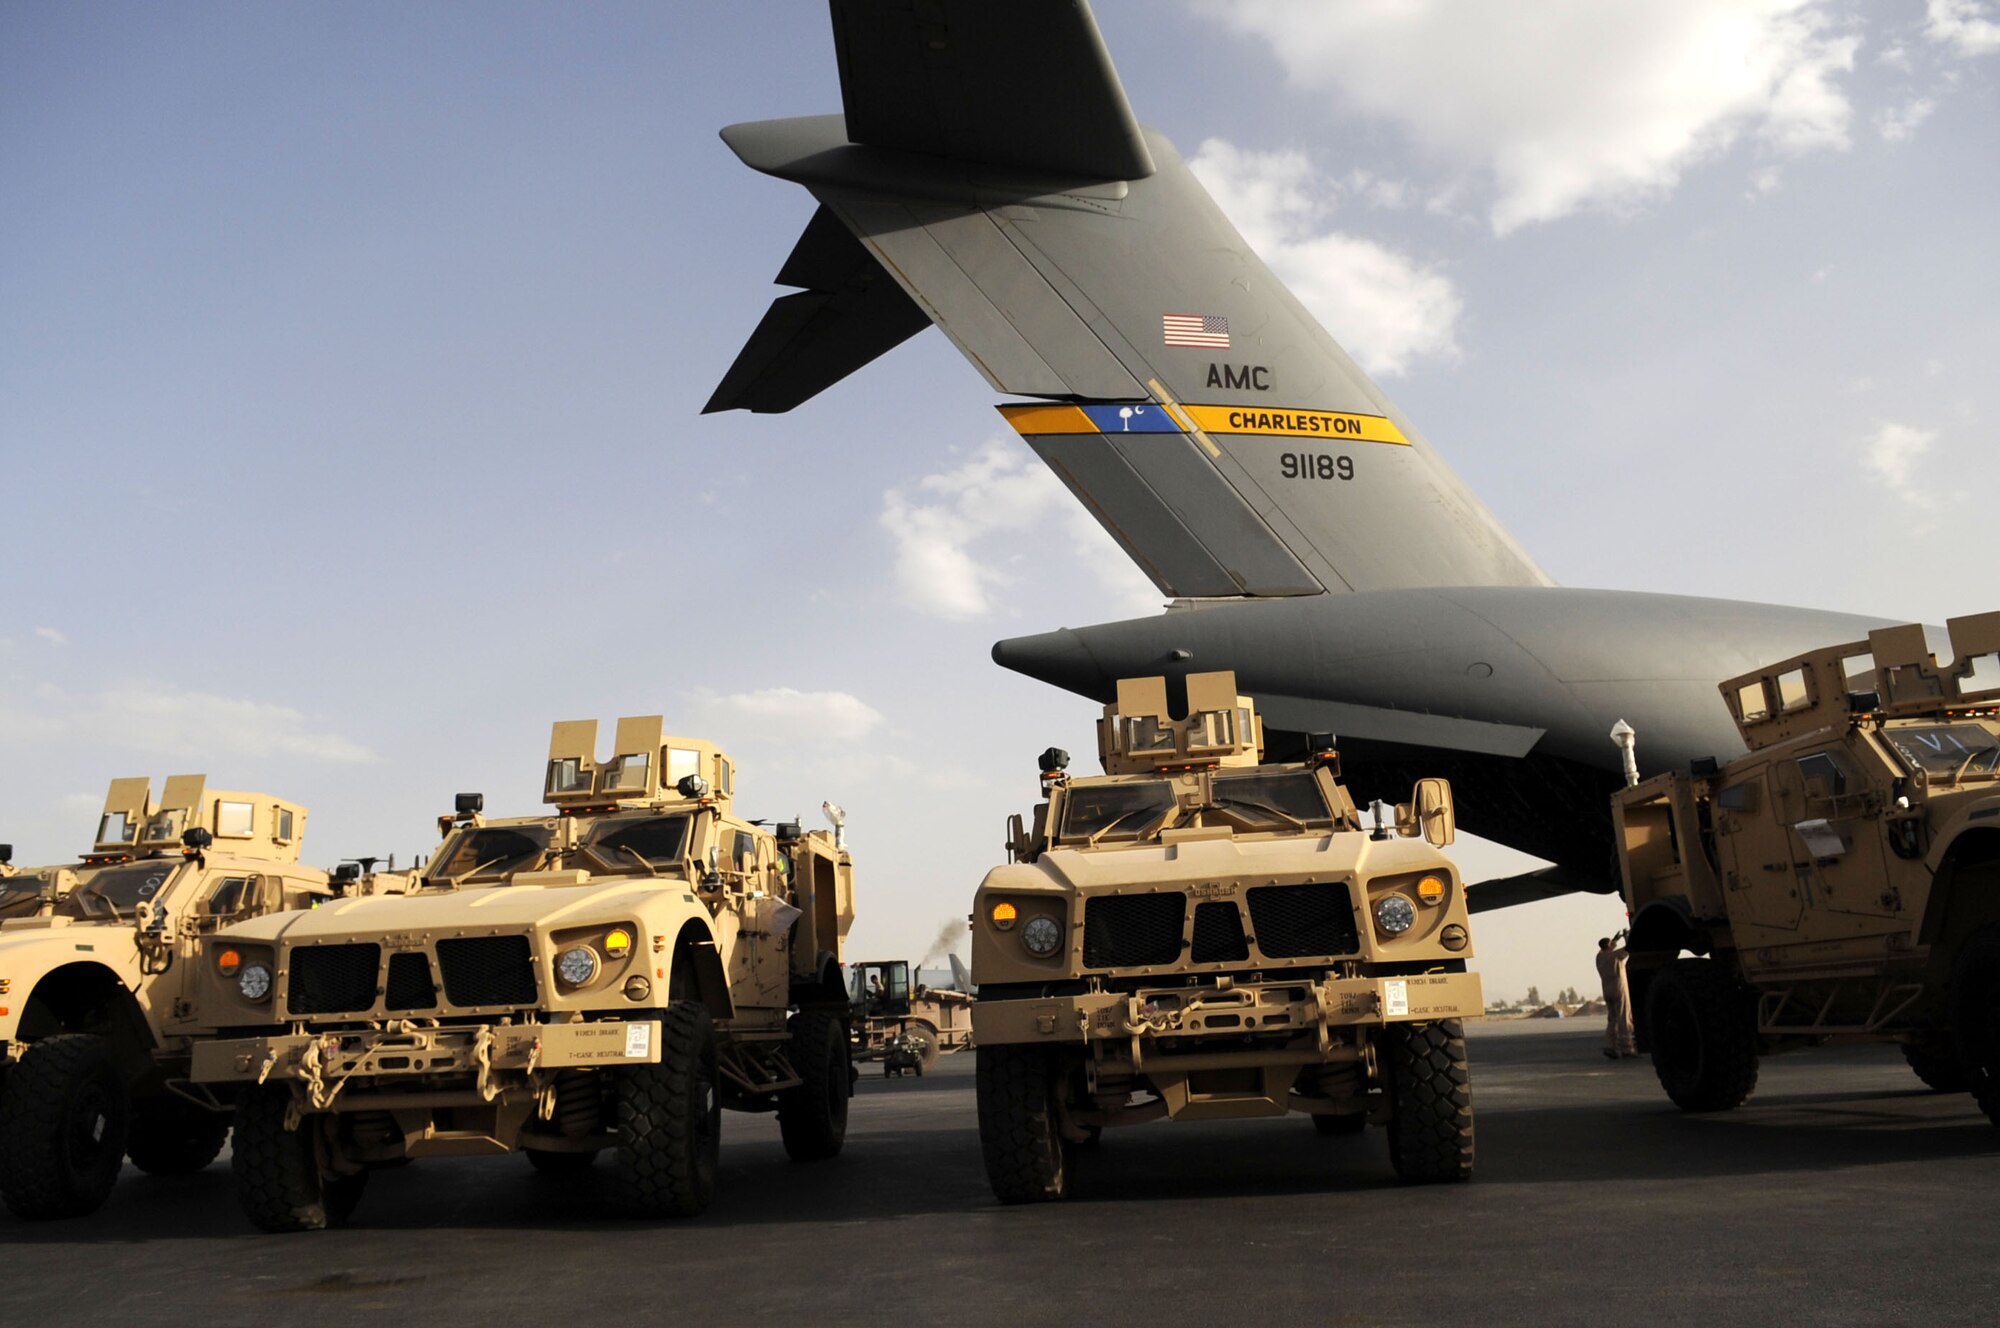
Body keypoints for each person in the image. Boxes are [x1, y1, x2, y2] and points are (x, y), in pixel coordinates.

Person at [1597, 931, 1636, 1059]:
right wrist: (1626, 937)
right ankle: (1627, 1048)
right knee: (1624, 1018)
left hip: (1607, 991)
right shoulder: (1615, 956)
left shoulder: (1599, 957)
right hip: (1619, 990)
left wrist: (1614, 939)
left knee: (1612, 1019)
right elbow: (1629, 948)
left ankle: (1610, 1046)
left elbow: (1607, 949)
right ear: (1609, 946)